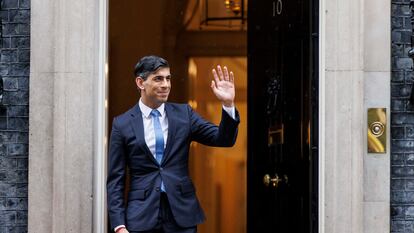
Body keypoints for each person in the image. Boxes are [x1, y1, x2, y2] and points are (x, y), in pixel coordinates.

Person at [107, 55, 240, 233]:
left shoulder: (184, 114)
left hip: (181, 214)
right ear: (140, 83)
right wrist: (119, 225)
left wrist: (228, 103)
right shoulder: (122, 124)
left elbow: (223, 139)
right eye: (158, 79)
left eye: (168, 78)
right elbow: (116, 180)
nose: (166, 85)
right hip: (141, 216)